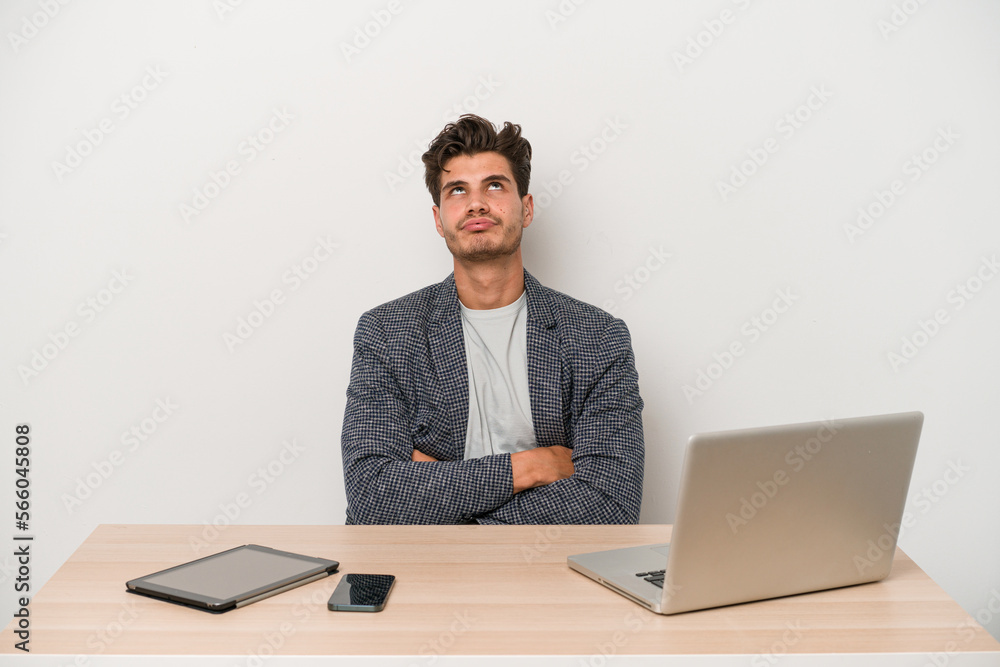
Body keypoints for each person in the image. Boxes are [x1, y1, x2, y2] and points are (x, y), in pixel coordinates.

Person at [340, 114, 644, 524]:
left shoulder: (597, 337)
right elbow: (371, 496)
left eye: (495, 185)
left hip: (548, 561)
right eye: (458, 190)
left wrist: (439, 496)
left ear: (526, 208)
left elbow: (611, 504)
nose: (477, 203)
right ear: (438, 219)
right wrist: (529, 467)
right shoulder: (386, 333)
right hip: (416, 561)